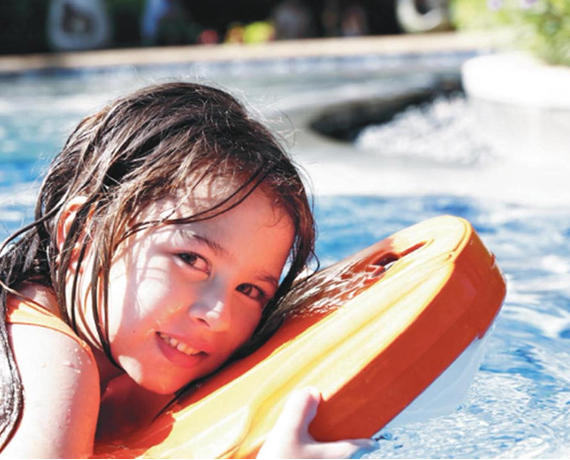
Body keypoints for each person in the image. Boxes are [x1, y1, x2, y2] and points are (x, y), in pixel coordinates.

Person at [0, 82, 376, 458]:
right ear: (81, 233)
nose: (218, 316)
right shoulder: (52, 362)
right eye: (191, 259)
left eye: (250, 290)